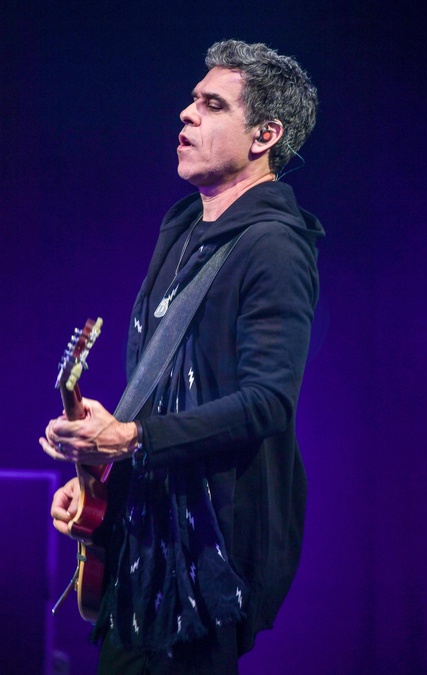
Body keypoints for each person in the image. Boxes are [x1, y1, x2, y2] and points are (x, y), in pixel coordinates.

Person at [40, 39, 324, 674]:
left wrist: (132, 438)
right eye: (193, 99)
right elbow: (160, 395)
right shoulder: (181, 231)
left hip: (202, 563)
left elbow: (268, 403)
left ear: (265, 135)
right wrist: (101, 475)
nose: (186, 113)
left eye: (212, 104)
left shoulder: (274, 246)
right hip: (141, 548)